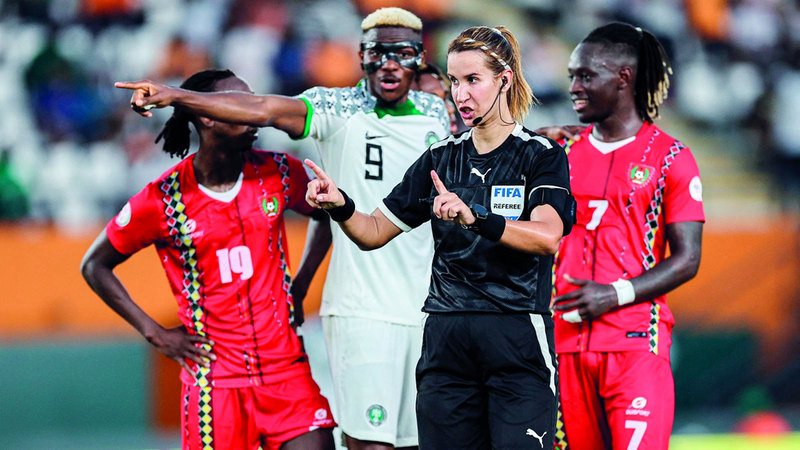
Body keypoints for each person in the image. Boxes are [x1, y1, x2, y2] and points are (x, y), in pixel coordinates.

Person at [115, 8, 448, 450]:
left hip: (432, 311)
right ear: (361, 57)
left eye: (402, 53)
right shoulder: (335, 107)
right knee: (372, 444)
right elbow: (264, 109)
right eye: (378, 52)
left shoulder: (436, 113)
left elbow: (486, 144)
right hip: (362, 313)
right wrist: (175, 95)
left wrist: (302, 281)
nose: (389, 63)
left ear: (419, 58)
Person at [304, 25, 576, 449]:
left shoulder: (540, 155)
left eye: (473, 80)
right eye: (454, 81)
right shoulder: (439, 157)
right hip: (446, 343)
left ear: (504, 80)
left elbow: (546, 236)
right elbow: (372, 232)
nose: (460, 94)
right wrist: (340, 204)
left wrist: (476, 217)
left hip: (516, 335)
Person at [81, 69, 336, 450]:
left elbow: (328, 212)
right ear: (208, 115)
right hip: (215, 384)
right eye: (240, 103)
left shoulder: (280, 172)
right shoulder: (163, 200)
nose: (253, 113)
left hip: (286, 371)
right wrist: (154, 332)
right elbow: (94, 265)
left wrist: (300, 284)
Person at [549, 23, 705, 450]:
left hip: (635, 344)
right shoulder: (558, 154)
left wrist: (615, 294)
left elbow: (688, 258)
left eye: (585, 76)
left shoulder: (671, 158)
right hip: (564, 346)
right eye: (572, 77)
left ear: (623, 77)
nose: (574, 87)